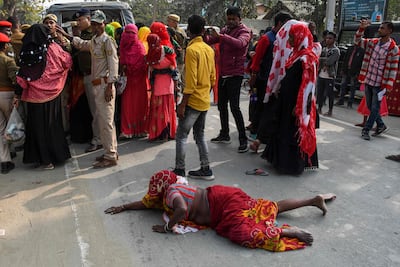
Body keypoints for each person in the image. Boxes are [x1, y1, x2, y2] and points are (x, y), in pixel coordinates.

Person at [105, 170, 336, 252]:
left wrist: (167, 227)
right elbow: (145, 203)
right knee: (269, 207)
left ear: (161, 188)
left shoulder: (172, 193)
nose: (152, 197)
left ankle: (288, 232)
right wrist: (124, 206)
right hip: (223, 196)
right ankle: (314, 199)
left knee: (244, 234)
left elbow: (182, 210)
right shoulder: (172, 189)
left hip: (223, 208)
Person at [58, 10, 119, 168]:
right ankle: (109, 151)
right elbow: (81, 45)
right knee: (102, 121)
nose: (96, 26)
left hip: (105, 85)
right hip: (97, 85)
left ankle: (111, 155)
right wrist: (67, 35)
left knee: (106, 121)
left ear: (103, 24)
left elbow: (114, 65)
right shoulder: (95, 41)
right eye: (94, 24)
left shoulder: (107, 41)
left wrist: (110, 86)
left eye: (99, 24)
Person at [260, 23, 320, 175]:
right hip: (286, 101)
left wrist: (299, 107)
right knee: (283, 130)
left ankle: (291, 166)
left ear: (301, 37)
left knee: (292, 132)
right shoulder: (296, 55)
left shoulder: (308, 58)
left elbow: (309, 86)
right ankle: (279, 162)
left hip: (296, 103)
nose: (290, 41)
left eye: (293, 37)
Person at [16, 24, 72, 170]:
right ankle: (57, 156)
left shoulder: (27, 51)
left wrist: (18, 94)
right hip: (53, 95)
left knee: (37, 128)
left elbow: (22, 77)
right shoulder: (53, 47)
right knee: (53, 125)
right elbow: (66, 62)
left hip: (34, 98)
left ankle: (44, 160)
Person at [172, 15, 216, 180]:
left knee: (182, 135)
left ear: (188, 30)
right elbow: (213, 78)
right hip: (204, 99)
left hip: (193, 100)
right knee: (200, 135)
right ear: (203, 31)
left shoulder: (191, 50)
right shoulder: (208, 49)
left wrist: (183, 104)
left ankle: (179, 169)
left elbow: (190, 81)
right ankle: (206, 168)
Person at [206, 6, 252, 153]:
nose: (231, 21)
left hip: (235, 75)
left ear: (240, 19)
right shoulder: (225, 30)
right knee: (221, 105)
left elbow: (240, 44)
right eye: (229, 18)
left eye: (234, 18)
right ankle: (225, 133)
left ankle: (243, 139)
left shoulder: (244, 31)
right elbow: (210, 40)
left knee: (235, 107)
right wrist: (203, 34)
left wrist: (221, 36)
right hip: (223, 73)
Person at [248, 12, 292, 138]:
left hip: (276, 81)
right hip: (263, 79)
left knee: (271, 108)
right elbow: (256, 60)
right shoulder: (267, 38)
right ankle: (255, 131)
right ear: (280, 23)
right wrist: (253, 77)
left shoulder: (282, 39)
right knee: (260, 105)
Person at [355, 20, 399, 140]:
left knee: (375, 107)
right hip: (369, 80)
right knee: (370, 106)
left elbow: (393, 70)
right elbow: (357, 41)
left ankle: (366, 130)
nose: (379, 30)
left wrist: (388, 86)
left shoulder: (393, 49)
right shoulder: (373, 43)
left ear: (389, 31)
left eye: (382, 28)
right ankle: (381, 125)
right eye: (380, 28)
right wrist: (361, 29)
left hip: (380, 84)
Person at [73, 8, 102, 153]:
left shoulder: (94, 33)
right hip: (85, 75)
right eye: (77, 20)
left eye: (80, 20)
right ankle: (96, 137)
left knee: (97, 110)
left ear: (89, 19)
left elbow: (87, 46)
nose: (78, 23)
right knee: (92, 110)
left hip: (95, 75)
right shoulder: (83, 33)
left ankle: (98, 140)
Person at [146, 22, 177, 142]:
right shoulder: (167, 46)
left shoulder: (155, 48)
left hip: (159, 83)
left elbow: (151, 66)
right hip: (168, 83)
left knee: (159, 109)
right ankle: (168, 132)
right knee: (167, 108)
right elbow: (173, 63)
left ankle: (160, 132)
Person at [119, 24, 149, 139]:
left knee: (136, 105)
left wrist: (127, 67)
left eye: (132, 33)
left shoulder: (139, 47)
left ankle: (138, 129)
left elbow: (142, 64)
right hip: (130, 81)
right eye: (128, 33)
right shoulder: (124, 46)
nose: (130, 36)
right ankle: (129, 130)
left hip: (138, 80)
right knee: (128, 106)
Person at [0, 32, 19, 174]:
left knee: (0, 129)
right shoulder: (8, 60)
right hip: (7, 94)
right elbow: (14, 79)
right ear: (5, 45)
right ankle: (12, 149)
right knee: (10, 125)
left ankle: (5, 160)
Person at [316, 31, 340, 116]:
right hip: (321, 74)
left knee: (330, 94)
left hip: (330, 75)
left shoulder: (336, 50)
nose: (328, 40)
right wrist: (323, 61)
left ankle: (330, 110)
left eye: (330, 38)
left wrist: (323, 61)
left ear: (334, 40)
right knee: (320, 93)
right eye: (327, 38)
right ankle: (319, 108)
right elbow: (318, 59)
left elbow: (330, 61)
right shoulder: (324, 49)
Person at [166, 14, 187, 83]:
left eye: (169, 21)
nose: (168, 22)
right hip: (172, 57)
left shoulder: (179, 32)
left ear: (175, 22)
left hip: (179, 58)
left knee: (177, 77)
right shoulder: (169, 30)